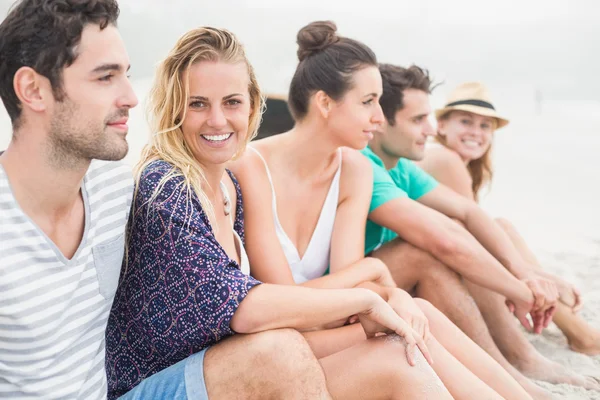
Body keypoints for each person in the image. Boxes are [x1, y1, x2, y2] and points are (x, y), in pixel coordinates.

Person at [106, 26, 449, 400]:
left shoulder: (227, 187)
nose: (218, 120)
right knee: (283, 349)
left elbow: (255, 326)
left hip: (232, 366)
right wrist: (368, 298)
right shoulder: (167, 188)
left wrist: (378, 310)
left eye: (232, 102)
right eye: (197, 103)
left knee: (398, 354)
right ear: (173, 108)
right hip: (155, 385)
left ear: (252, 105)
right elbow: (245, 309)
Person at [232, 21, 533, 400]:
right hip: (281, 345)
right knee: (400, 333)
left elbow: (349, 280)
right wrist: (373, 277)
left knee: (416, 311)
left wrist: (384, 291)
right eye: (368, 101)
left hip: (324, 322)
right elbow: (284, 298)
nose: (379, 117)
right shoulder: (251, 165)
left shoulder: (354, 168)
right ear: (325, 103)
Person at [362, 63, 599, 395]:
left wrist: (525, 275)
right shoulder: (371, 164)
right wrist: (524, 291)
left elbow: (470, 213)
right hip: (355, 291)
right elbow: (449, 241)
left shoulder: (400, 166)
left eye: (485, 125)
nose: (429, 129)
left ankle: (519, 361)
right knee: (434, 247)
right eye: (419, 120)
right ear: (380, 123)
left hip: (390, 281)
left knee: (482, 230)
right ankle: (515, 362)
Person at [0, 0, 138, 398]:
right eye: (105, 77)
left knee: (277, 355)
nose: (130, 97)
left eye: (126, 75)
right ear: (33, 90)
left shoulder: (116, 188)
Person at [418, 81, 600, 357]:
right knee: (498, 229)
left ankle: (577, 330)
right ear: (442, 126)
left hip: (442, 270)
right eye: (466, 121)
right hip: (428, 279)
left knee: (501, 226)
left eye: (484, 126)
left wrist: (542, 278)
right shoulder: (444, 159)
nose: (476, 132)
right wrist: (548, 279)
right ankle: (580, 334)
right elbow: (474, 238)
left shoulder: (457, 165)